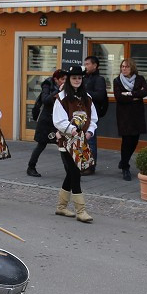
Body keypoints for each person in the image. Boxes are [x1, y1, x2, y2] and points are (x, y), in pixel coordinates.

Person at [52, 65, 97, 223]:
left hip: (81, 142)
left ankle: (61, 206)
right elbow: (58, 120)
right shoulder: (62, 97)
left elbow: (93, 118)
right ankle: (81, 210)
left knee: (72, 173)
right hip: (67, 141)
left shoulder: (87, 98)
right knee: (75, 172)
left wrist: (90, 131)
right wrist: (72, 130)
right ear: (69, 80)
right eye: (74, 78)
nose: (77, 80)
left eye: (79, 78)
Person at [113, 58, 147, 180]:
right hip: (124, 115)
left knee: (135, 140)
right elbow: (119, 97)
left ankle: (124, 161)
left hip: (137, 115)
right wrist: (134, 95)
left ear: (132, 68)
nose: (124, 69)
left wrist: (129, 94)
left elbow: (145, 92)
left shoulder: (140, 79)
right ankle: (125, 167)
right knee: (126, 140)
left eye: (127, 67)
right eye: (122, 67)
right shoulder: (117, 81)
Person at [26, 68, 66, 178]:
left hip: (58, 120)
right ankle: (31, 167)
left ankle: (71, 171)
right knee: (41, 144)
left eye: (66, 79)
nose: (64, 81)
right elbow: (46, 99)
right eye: (62, 79)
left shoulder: (67, 88)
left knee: (63, 145)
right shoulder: (47, 85)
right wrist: (58, 91)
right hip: (46, 120)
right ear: (56, 79)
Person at [83, 56, 109, 168]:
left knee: (91, 139)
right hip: (81, 113)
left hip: (92, 113)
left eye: (88, 64)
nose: (86, 66)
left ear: (95, 65)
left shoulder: (99, 79)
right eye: (85, 64)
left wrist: (84, 92)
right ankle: (84, 163)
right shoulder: (83, 78)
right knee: (83, 139)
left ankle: (91, 165)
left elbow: (99, 96)